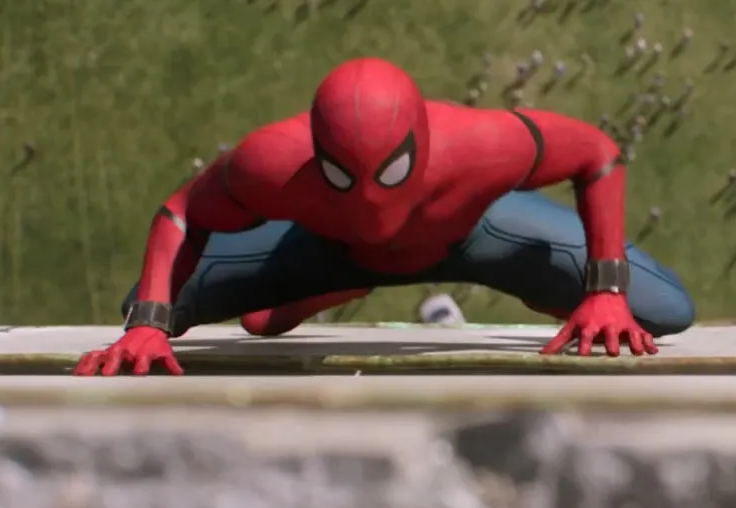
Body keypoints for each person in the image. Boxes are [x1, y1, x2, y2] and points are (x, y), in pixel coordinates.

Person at [74, 57, 694, 376]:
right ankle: (321, 289)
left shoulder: (482, 145)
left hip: (475, 233)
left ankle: (542, 287)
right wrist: (149, 322)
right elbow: (181, 211)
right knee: (150, 307)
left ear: (422, 142)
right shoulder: (273, 163)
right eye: (344, 175)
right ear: (317, 154)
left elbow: (597, 154)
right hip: (328, 245)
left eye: (390, 172)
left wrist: (605, 290)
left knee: (662, 311)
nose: (373, 201)